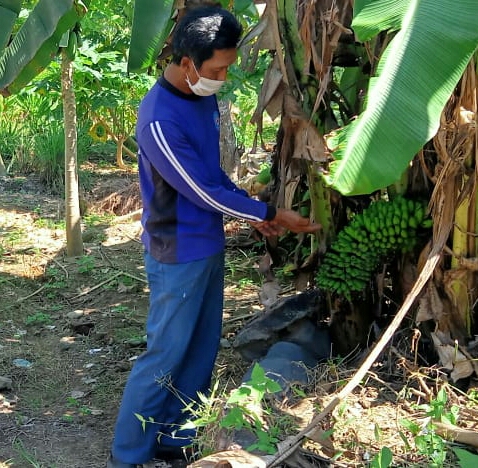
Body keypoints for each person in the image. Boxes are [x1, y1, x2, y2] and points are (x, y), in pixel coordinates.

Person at [107, 6, 321, 468]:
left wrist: (252, 212)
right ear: (187, 64)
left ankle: (176, 440)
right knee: (165, 353)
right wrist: (269, 213)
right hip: (178, 251)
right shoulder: (160, 119)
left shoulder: (200, 99)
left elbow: (215, 177)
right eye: (217, 69)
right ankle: (128, 456)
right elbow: (200, 189)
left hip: (207, 243)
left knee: (201, 348)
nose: (223, 77)